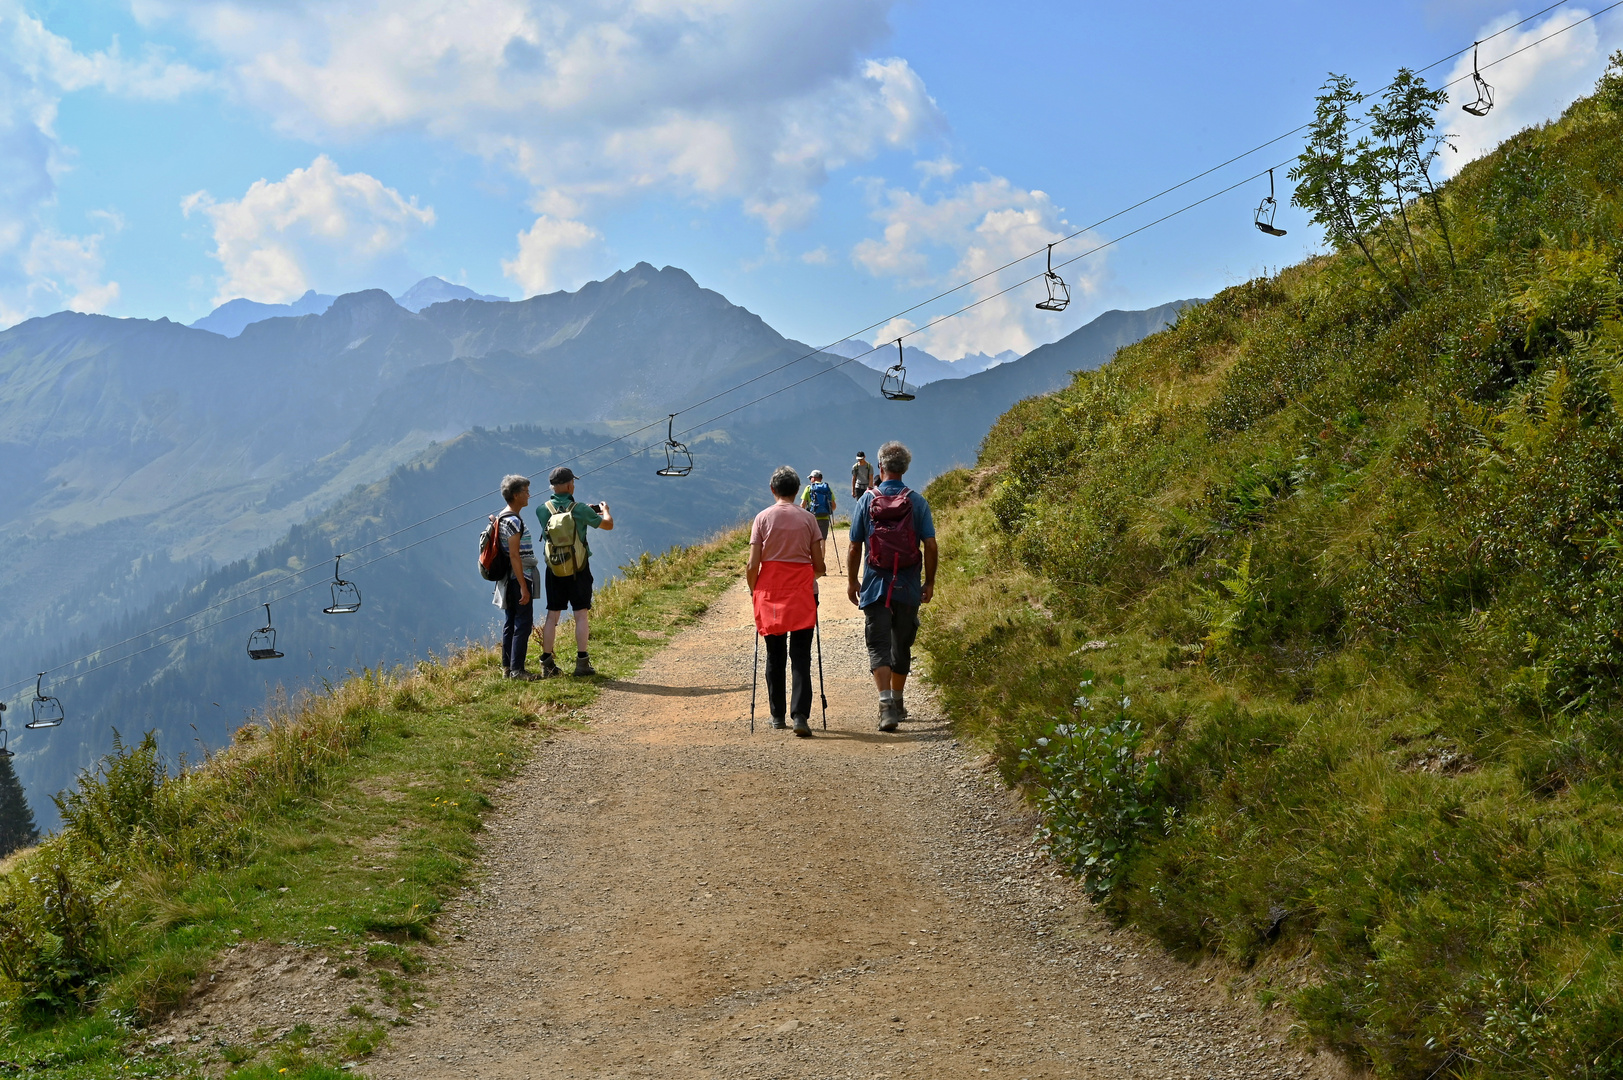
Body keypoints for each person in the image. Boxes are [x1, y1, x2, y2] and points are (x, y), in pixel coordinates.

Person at [846, 440, 937, 732]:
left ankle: (885, 706)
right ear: (905, 468)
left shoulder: (866, 500)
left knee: (878, 644)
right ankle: (898, 701)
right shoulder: (917, 501)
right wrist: (930, 582)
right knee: (902, 644)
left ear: (881, 467)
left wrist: (851, 581)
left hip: (875, 584)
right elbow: (931, 546)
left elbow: (854, 546)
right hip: (908, 585)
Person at [748, 465, 826, 737]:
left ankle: (777, 715)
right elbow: (820, 564)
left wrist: (753, 589)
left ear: (772, 490)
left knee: (775, 653)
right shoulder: (808, 520)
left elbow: (752, 564)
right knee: (801, 655)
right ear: (796, 491)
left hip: (770, 594)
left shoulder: (762, 519)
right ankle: (800, 716)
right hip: (803, 594)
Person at [539, 466, 614, 677]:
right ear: (570, 484)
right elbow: (608, 525)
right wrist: (604, 510)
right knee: (580, 614)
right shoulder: (580, 509)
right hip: (578, 568)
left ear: (553, 486)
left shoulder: (541, 510)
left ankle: (547, 664)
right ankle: (582, 664)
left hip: (554, 568)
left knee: (552, 615)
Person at [491, 474, 541, 680]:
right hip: (518, 577)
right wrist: (523, 585)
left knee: (510, 622)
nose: (529, 494)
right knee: (522, 622)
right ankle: (517, 670)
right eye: (526, 491)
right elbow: (514, 555)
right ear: (516, 495)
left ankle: (507, 668)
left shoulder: (502, 517)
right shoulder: (512, 520)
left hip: (508, 578)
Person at [799, 469, 837, 557]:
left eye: (810, 478)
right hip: (825, 518)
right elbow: (834, 506)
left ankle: (812, 563)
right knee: (822, 541)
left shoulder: (808, 488)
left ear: (813, 478)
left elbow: (802, 505)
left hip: (812, 519)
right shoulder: (827, 488)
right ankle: (821, 565)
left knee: (811, 541)